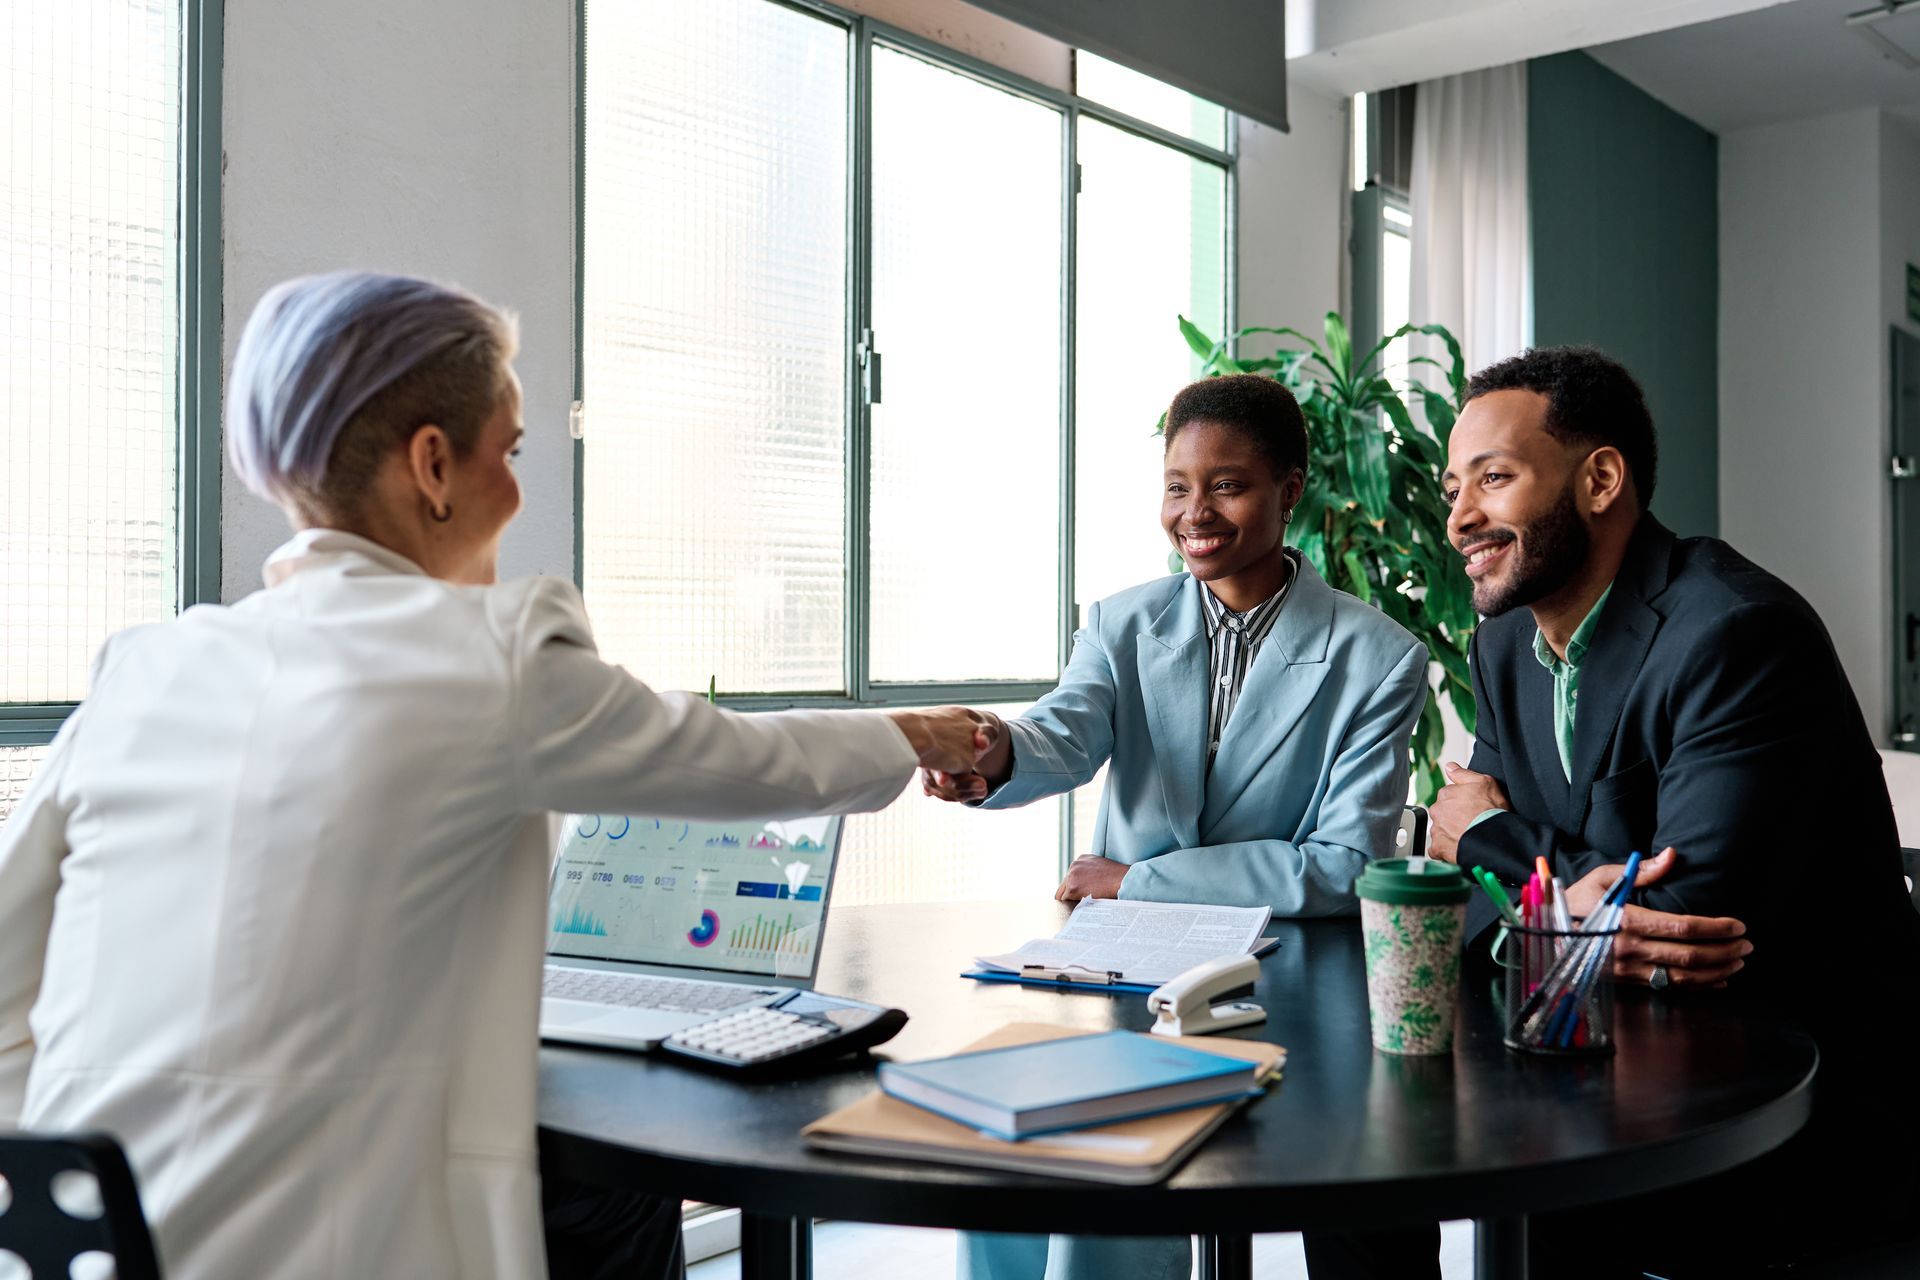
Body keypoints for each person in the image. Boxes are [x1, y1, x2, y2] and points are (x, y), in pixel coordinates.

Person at [0, 271, 995, 1280]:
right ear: (432, 464)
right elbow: (743, 760)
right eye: (511, 451)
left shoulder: (145, 668)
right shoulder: (490, 656)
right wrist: (918, 732)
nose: (518, 489)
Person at [924, 373, 1432, 1280]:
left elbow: (1344, 864)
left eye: (1227, 484)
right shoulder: (1122, 623)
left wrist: (1137, 879)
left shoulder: (1377, 656)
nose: (1193, 511)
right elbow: (1064, 732)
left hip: (1291, 989)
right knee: (1012, 1150)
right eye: (1176, 485)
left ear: (1290, 488)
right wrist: (993, 754)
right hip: (1124, 975)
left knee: (1366, 1210)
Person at [1427, 345, 1920, 1274]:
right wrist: (1566, 907)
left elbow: (1686, 929)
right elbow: (1472, 907)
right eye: (1456, 486)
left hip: (1789, 1137)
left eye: (1494, 479)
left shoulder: (1735, 632)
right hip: (1589, 1098)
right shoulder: (1500, 648)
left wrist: (1491, 840)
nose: (1459, 517)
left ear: (1601, 478)